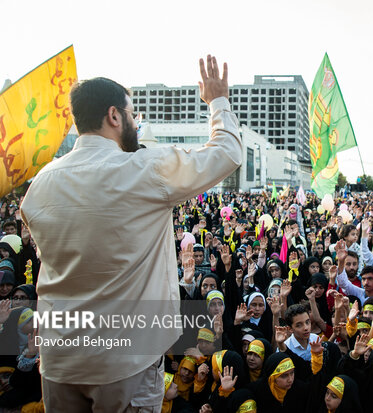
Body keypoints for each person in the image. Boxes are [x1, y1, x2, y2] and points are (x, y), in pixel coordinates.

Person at [19, 55, 242, 412]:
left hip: (59, 358)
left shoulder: (40, 185)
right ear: (114, 116)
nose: (135, 122)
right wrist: (217, 100)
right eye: (133, 114)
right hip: (125, 361)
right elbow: (228, 152)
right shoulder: (141, 169)